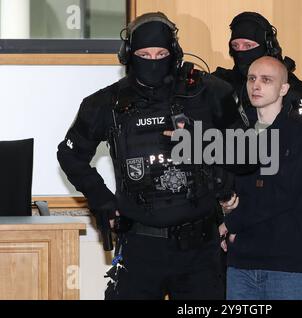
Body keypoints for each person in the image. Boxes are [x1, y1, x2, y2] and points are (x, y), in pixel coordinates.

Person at [57, 12, 241, 300]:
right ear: (129, 55)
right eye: (144, 54)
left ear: (174, 53)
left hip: (200, 250)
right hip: (140, 246)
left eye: (161, 53)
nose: (153, 61)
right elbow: (69, 155)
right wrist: (101, 199)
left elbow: (245, 152)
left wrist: (219, 174)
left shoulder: (209, 94)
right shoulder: (106, 103)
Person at [218, 56, 302, 300]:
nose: (256, 86)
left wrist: (232, 223)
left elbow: (282, 193)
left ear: (284, 88)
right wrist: (226, 208)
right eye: (251, 79)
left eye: (266, 80)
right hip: (240, 264)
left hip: (285, 264)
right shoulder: (239, 132)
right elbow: (231, 187)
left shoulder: (301, 131)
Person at [213, 11, 302, 133]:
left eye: (248, 46)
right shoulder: (222, 85)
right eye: (235, 46)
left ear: (268, 46)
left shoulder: (293, 89)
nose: (241, 52)